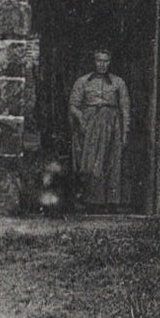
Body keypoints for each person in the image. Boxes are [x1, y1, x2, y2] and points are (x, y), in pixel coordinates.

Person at [68, 48, 131, 210]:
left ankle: (111, 202)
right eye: (99, 60)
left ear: (110, 62)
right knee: (90, 161)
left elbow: (125, 109)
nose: (102, 65)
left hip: (112, 125)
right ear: (94, 61)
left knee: (112, 161)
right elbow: (73, 106)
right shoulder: (82, 82)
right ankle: (90, 201)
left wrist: (124, 132)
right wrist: (81, 119)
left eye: (106, 61)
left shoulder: (118, 82)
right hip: (90, 125)